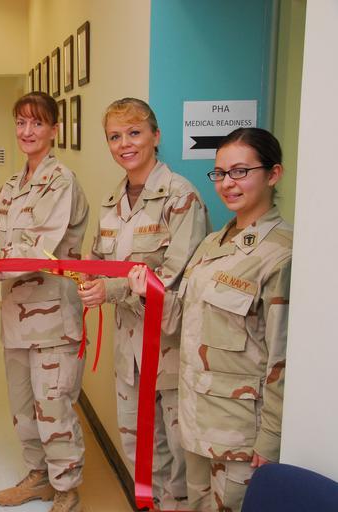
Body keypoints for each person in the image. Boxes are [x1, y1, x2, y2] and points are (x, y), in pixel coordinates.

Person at [128, 127, 292, 512]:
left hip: (240, 438)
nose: (227, 183)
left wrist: (271, 439)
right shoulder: (212, 244)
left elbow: (283, 360)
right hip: (196, 424)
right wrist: (148, 294)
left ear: (273, 174)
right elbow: (185, 321)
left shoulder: (280, 255)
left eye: (240, 172)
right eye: (220, 173)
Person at [77, 98, 210, 509]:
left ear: (156, 135)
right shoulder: (112, 201)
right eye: (115, 137)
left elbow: (175, 277)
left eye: (134, 133)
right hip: (128, 351)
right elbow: (103, 261)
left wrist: (112, 290)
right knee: (139, 448)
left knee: (180, 457)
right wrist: (87, 275)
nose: (125, 144)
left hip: (169, 348)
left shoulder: (181, 198)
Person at [0, 91, 89, 512]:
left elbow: (37, 249)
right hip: (17, 321)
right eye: (21, 122)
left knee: (54, 407)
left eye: (37, 123)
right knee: (23, 407)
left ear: (54, 129)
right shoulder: (13, 186)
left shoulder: (61, 182)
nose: (27, 131)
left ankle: (67, 488)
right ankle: (39, 477)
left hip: (53, 321)